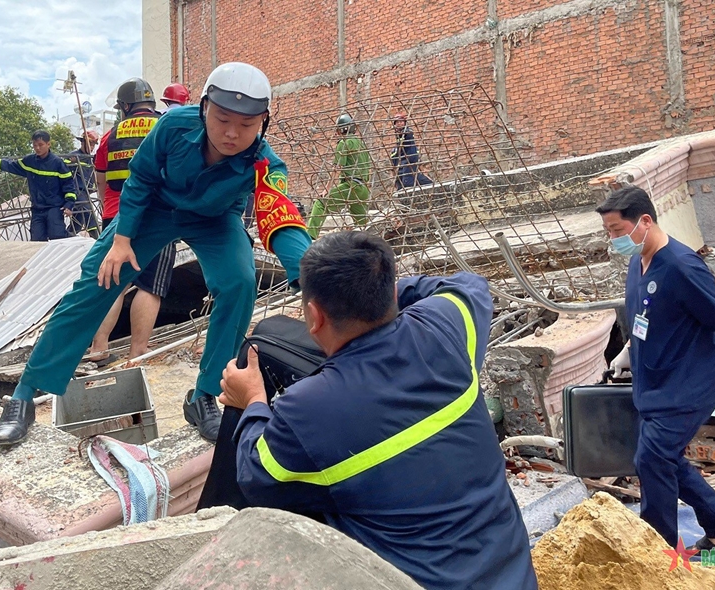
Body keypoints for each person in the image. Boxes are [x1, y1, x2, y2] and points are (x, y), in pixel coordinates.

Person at [0, 62, 311, 446]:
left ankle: (205, 395)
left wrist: (308, 275)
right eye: (222, 118)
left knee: (240, 282)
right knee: (97, 279)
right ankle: (26, 393)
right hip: (153, 211)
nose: (231, 133)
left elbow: (278, 213)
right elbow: (140, 177)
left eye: (247, 125)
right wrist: (122, 240)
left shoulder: (264, 161)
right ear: (204, 107)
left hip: (214, 219)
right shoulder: (174, 126)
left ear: (264, 122)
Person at [219, 231, 538, 590]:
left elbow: (257, 479)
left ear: (314, 316)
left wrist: (252, 401)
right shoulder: (447, 327)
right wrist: (381, 292)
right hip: (514, 578)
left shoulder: (308, 409)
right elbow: (469, 285)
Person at [598, 186, 715, 552]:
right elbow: (647, 317)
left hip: (687, 385)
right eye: (608, 232)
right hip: (654, 384)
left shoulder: (682, 266)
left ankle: (658, 550)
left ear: (644, 221)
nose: (613, 240)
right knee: (664, 458)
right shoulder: (637, 262)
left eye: (616, 231)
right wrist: (627, 352)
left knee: (651, 458)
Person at [88, 78, 173, 364]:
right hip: (158, 216)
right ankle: (138, 350)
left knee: (114, 284)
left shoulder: (109, 136)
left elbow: (101, 182)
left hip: (116, 216)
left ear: (125, 107)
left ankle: (99, 346)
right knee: (150, 286)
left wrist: (110, 212)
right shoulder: (167, 127)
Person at [0, 130, 77, 241]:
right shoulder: (29, 161)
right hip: (37, 209)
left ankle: (77, 242)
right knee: (37, 241)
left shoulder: (58, 163)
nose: (37, 148)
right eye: (35, 145)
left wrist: (69, 204)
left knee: (57, 236)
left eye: (40, 145)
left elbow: (69, 184)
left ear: (48, 144)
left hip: (54, 207)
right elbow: (8, 164)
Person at [306, 114, 371, 238]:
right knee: (363, 225)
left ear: (343, 129)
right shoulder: (361, 143)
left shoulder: (344, 142)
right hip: (363, 189)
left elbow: (337, 168)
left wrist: (327, 188)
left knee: (320, 203)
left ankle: (309, 237)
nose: (336, 133)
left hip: (352, 187)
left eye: (338, 130)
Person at [64, 130, 100, 238]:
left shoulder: (92, 158)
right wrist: (71, 162)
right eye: (90, 144)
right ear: (83, 143)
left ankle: (66, 237)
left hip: (86, 191)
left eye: (93, 144)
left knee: (77, 222)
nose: (91, 147)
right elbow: (62, 165)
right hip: (76, 191)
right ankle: (96, 237)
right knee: (88, 212)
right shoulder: (74, 156)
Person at [390, 112, 432, 191]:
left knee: (407, 181)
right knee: (402, 183)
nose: (399, 124)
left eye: (401, 122)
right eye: (397, 122)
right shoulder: (397, 140)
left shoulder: (407, 132)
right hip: (402, 163)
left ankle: (428, 185)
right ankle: (429, 183)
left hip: (409, 160)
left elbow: (408, 133)